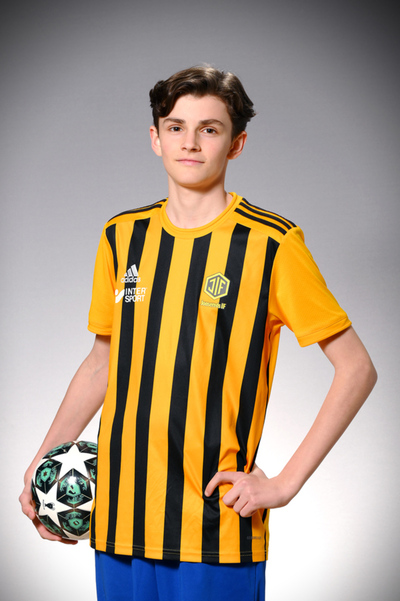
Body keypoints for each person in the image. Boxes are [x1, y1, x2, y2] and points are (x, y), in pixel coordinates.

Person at [20, 65, 377, 601]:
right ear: (155, 138)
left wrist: (284, 484)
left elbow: (357, 368)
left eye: (209, 129)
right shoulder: (122, 236)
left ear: (236, 144)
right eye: (176, 127)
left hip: (214, 527)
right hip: (118, 519)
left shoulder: (272, 244)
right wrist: (42, 463)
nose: (190, 142)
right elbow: (102, 363)